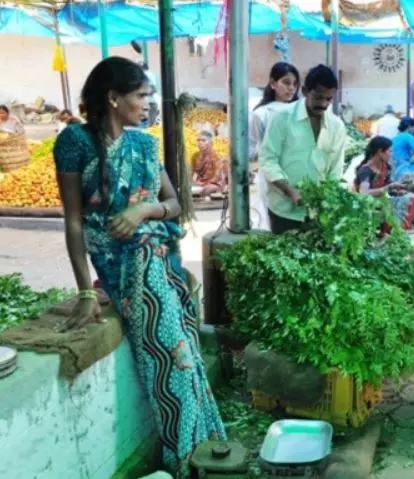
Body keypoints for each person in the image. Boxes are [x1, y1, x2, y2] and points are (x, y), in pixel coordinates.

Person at [52, 57, 225, 476]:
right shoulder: (74, 142)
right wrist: (87, 292)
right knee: (173, 353)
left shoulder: (144, 145)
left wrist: (144, 210)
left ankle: (200, 447)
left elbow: (173, 206)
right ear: (113, 98)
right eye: (141, 95)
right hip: (117, 262)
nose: (148, 103)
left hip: (154, 254)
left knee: (182, 352)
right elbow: (74, 221)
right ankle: (186, 458)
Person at [259, 64, 347, 235]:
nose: (323, 104)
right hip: (283, 209)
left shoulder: (337, 126)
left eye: (329, 99)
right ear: (306, 91)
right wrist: (290, 191)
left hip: (318, 213)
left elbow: (335, 170)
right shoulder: (282, 118)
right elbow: (268, 158)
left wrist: (330, 200)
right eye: (318, 97)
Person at [249, 62, 300, 231]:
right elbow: (253, 148)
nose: (291, 88)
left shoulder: (301, 112)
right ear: (273, 84)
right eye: (286, 82)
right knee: (272, 221)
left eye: (294, 84)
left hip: (298, 172)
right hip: (271, 175)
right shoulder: (261, 114)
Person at [354, 136, 414, 230]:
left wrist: (401, 183)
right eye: (389, 151)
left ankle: (398, 230)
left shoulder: (385, 167)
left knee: (413, 198)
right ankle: (392, 231)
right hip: (370, 206)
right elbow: (364, 193)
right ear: (380, 152)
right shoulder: (366, 170)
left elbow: (388, 187)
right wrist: (389, 188)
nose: (391, 154)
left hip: (383, 201)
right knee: (404, 201)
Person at [191, 130, 225, 198]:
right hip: (199, 183)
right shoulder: (195, 156)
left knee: (207, 189)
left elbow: (216, 177)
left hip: (214, 184)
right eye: (198, 140)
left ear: (211, 143)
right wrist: (195, 182)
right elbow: (194, 173)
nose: (200, 143)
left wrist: (202, 184)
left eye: (203, 140)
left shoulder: (217, 157)